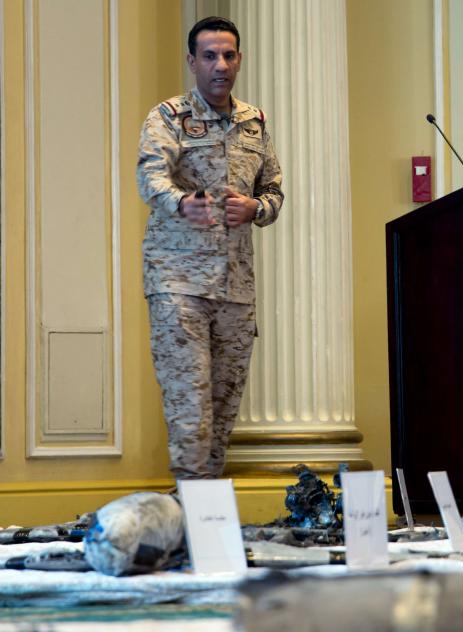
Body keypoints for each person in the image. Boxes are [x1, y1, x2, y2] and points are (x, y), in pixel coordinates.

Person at [136, 16, 284, 479]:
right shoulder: (168, 116)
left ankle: (203, 524)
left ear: (239, 59)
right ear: (192, 61)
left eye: (228, 55)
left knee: (221, 417)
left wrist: (256, 208)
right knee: (191, 412)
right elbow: (150, 177)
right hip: (179, 283)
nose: (220, 65)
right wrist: (184, 204)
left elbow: (275, 190)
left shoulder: (253, 121)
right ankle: (196, 529)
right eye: (209, 56)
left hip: (236, 289)